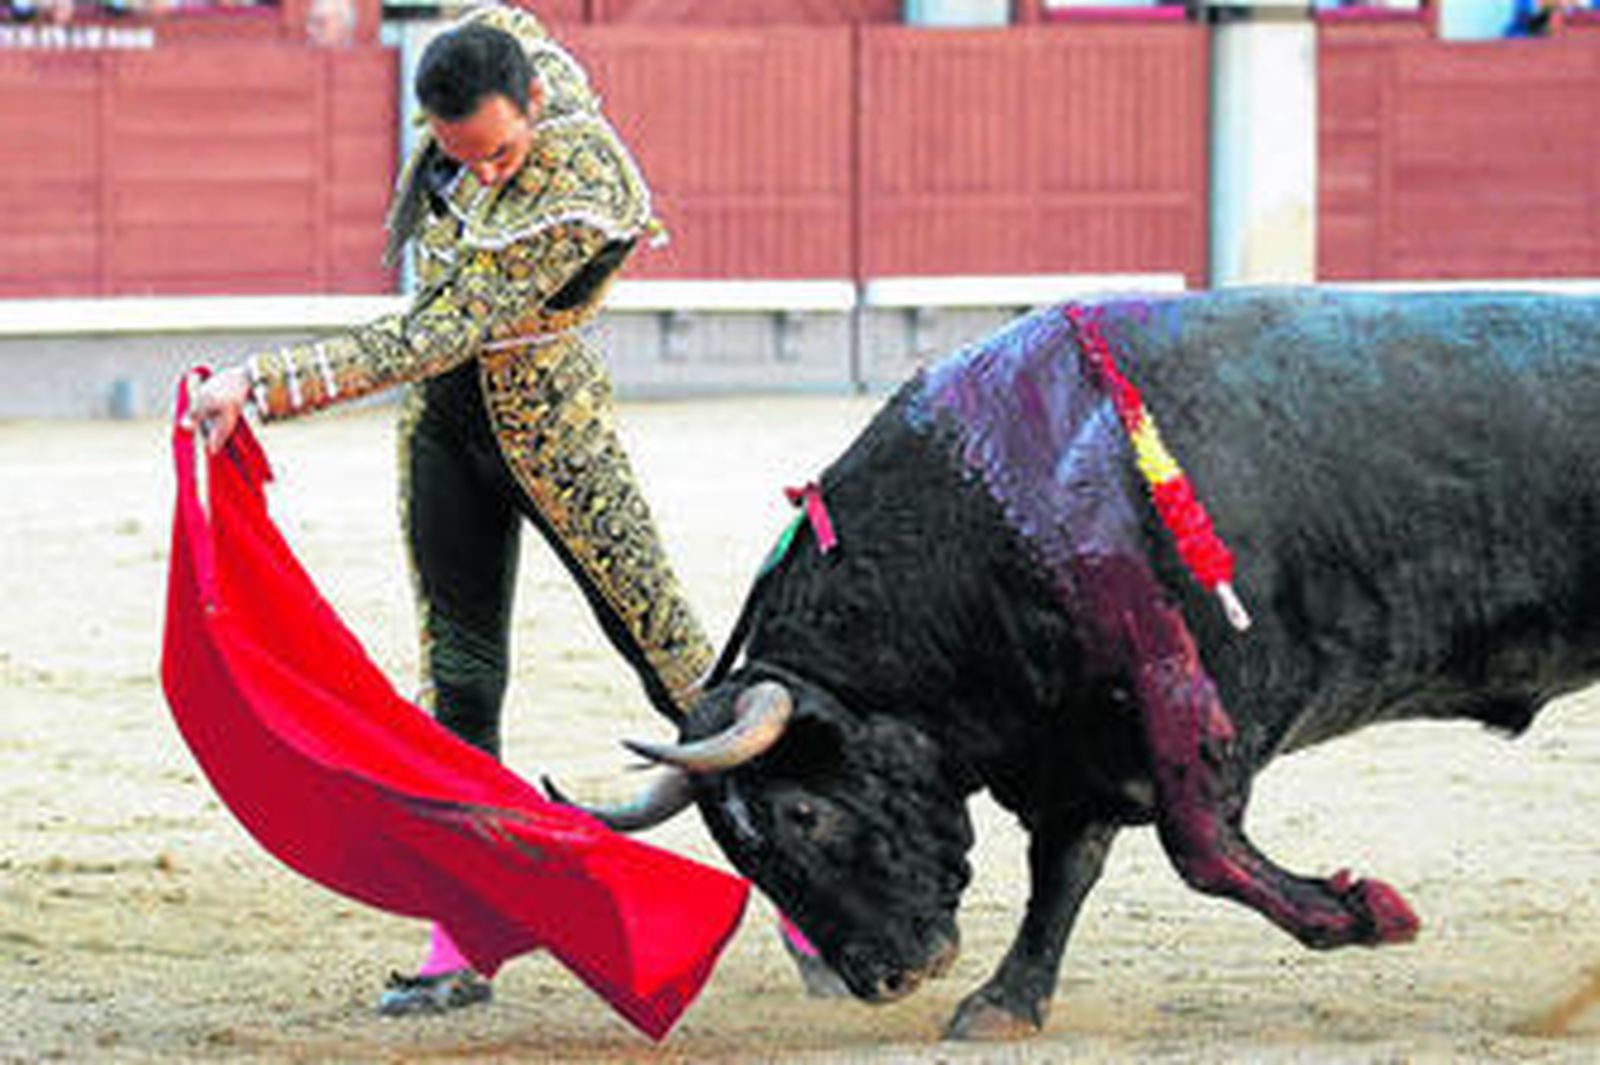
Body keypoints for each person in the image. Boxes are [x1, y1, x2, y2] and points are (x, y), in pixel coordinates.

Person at [184, 2, 716, 1016]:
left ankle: (810, 892)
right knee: (460, 679)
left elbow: (433, 333)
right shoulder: (488, 59)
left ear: (539, 102)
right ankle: (464, 933)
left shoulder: (581, 189)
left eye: (501, 153)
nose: (484, 173)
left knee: (673, 660)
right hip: (444, 433)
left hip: (553, 427)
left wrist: (263, 378)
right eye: (460, 155)